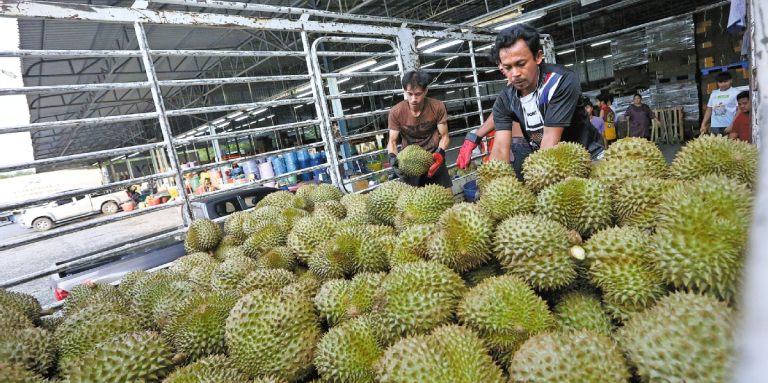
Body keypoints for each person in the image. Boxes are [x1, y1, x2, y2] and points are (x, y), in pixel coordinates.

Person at [482, 24, 604, 172]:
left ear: (538, 57)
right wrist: (495, 183)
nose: (515, 73)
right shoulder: (506, 99)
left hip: (587, 156)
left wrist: (538, 173)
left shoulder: (559, 81)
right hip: (548, 165)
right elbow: (501, 148)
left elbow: (550, 137)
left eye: (521, 64)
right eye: (508, 68)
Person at [387, 70, 452, 189]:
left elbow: (445, 137)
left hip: (434, 159)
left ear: (426, 90)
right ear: (404, 91)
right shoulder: (396, 112)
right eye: (409, 94)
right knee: (415, 204)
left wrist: (440, 152)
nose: (413, 99)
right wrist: (392, 158)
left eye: (418, 94)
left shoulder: (437, 107)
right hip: (409, 163)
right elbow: (392, 141)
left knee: (447, 199)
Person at [701, 72, 740, 136]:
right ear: (717, 83)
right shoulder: (714, 94)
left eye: (725, 81)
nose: (723, 84)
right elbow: (709, 109)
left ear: (730, 80)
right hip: (715, 127)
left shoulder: (736, 92)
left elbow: (739, 110)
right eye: (720, 82)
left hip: (729, 125)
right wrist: (703, 124)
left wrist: (732, 125)